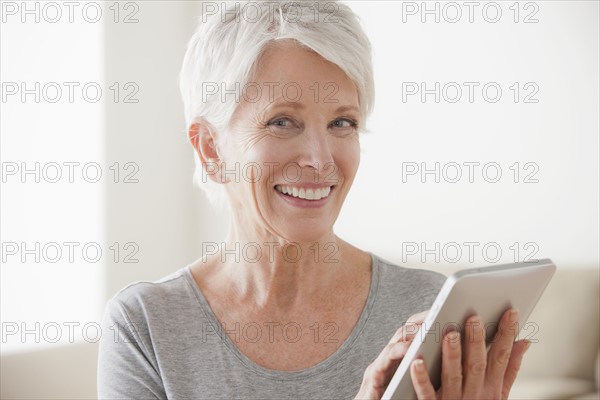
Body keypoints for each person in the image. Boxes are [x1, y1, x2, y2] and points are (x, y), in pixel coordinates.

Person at [97, 1, 530, 399]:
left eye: (342, 122)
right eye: (282, 121)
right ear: (210, 148)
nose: (320, 161)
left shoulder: (427, 309)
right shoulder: (145, 326)